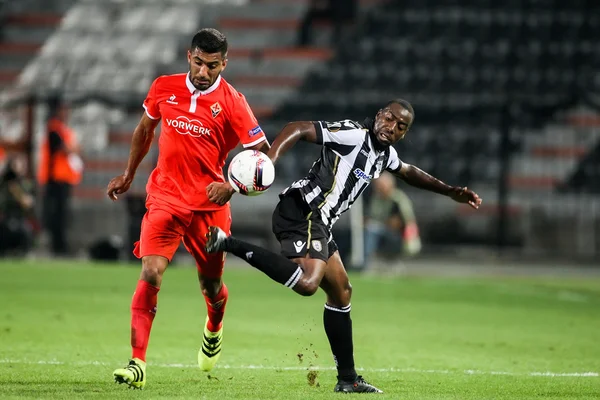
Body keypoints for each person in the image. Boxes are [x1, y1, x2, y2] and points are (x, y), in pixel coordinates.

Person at [205, 99, 482, 393]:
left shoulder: (384, 156)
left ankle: (347, 379)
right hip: (303, 210)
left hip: (320, 223)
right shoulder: (353, 134)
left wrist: (451, 191)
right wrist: (268, 162)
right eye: (389, 119)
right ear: (379, 116)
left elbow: (409, 171)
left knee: (341, 292)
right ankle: (227, 242)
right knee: (309, 283)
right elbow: (297, 128)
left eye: (401, 127)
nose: (392, 128)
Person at [106, 28, 270, 389]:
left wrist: (231, 186)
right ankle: (137, 362)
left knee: (211, 285)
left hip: (209, 207)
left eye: (212, 66)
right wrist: (129, 174)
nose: (203, 72)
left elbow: (264, 155)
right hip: (165, 197)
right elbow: (144, 130)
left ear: (224, 63)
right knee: (150, 272)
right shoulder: (164, 86)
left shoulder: (233, 102)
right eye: (198, 62)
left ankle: (214, 324)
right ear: (188, 56)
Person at [37, 95, 83, 256]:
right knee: (56, 214)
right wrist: (73, 148)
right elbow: (67, 149)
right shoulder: (54, 129)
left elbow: (74, 148)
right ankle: (57, 246)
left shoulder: (63, 129)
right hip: (55, 178)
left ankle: (59, 245)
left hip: (64, 178)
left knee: (61, 214)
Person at [361, 171, 421, 271]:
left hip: (397, 235)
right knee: (367, 230)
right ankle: (362, 261)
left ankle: (365, 264)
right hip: (379, 230)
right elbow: (369, 217)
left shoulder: (398, 200)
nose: (379, 188)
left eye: (381, 186)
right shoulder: (375, 198)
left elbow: (404, 222)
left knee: (371, 231)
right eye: (377, 186)